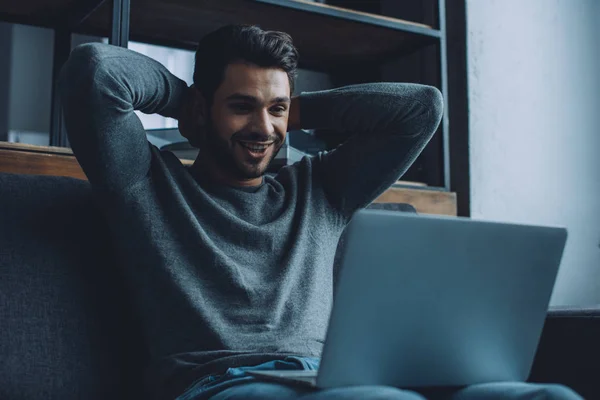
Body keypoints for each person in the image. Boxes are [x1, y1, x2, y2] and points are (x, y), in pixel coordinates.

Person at [58, 24, 581, 400]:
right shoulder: (144, 184)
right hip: (220, 383)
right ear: (202, 109)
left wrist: (293, 109)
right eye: (242, 106)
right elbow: (97, 71)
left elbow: (423, 108)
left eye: (277, 109)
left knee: (548, 394)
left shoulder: (319, 189)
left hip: (326, 378)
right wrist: (189, 101)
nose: (263, 129)